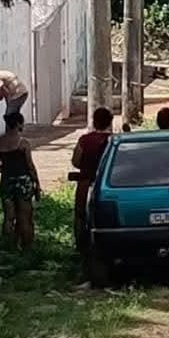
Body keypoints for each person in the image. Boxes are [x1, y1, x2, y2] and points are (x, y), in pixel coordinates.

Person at [0, 112, 41, 250]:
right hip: (23, 182)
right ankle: (28, 247)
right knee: (25, 215)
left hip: (7, 180)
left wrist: (0, 166)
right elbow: (30, 166)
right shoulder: (23, 143)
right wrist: (37, 184)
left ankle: (8, 246)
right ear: (19, 124)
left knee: (8, 216)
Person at [72, 106, 113, 248]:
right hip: (108, 183)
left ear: (94, 122)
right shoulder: (113, 141)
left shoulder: (84, 140)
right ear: (110, 122)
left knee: (79, 214)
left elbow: (76, 161)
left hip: (85, 181)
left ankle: (80, 243)